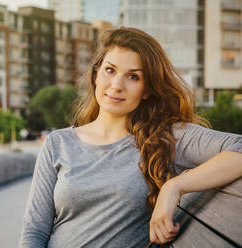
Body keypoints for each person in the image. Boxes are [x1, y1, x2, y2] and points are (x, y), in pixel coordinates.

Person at [18, 27, 242, 248]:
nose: (116, 86)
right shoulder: (58, 143)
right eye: (110, 70)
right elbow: (35, 229)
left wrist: (174, 187)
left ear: (147, 90)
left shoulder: (166, 137)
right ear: (96, 74)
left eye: (133, 76)